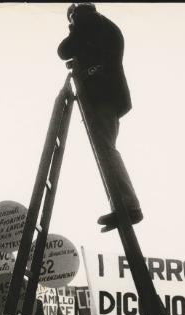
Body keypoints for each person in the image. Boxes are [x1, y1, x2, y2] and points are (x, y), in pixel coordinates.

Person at [58, 3, 143, 232]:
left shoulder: (87, 21)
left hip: (101, 96)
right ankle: (121, 205)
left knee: (105, 149)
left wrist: (74, 26)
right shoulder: (101, 26)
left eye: (72, 17)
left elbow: (63, 50)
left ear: (77, 13)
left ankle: (128, 205)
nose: (71, 22)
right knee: (105, 150)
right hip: (108, 97)